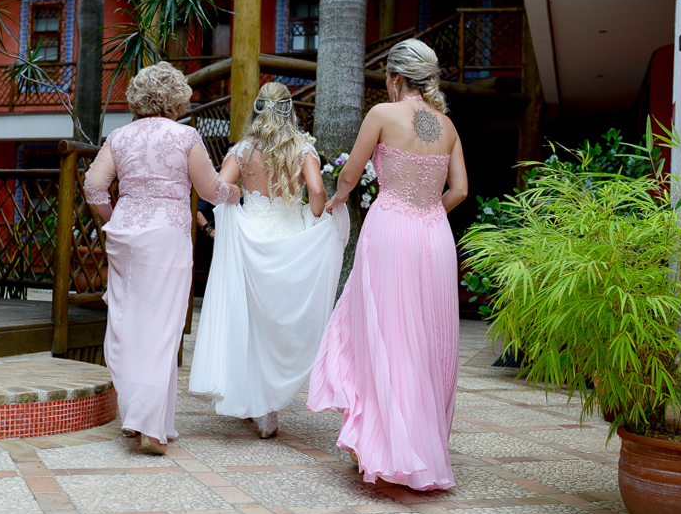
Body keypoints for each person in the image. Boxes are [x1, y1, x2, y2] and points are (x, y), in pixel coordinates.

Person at [307, 39, 468, 490]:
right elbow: (459, 190)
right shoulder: (447, 126)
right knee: (425, 338)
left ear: (395, 79)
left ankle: (383, 443)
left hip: (391, 229)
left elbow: (348, 174)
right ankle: (419, 446)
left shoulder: (381, 115)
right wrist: (428, 211)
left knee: (385, 333)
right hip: (434, 237)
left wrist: (338, 200)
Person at [83, 62, 240, 455]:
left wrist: (113, 215)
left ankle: (146, 416)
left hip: (126, 234)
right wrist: (233, 193)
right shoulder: (185, 136)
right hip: (167, 236)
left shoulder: (119, 136)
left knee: (127, 323)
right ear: (175, 99)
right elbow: (209, 188)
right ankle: (148, 424)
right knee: (163, 327)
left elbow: (93, 187)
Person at [190, 82, 349, 438]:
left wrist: (236, 200)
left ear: (258, 109)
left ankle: (260, 408)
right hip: (291, 243)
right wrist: (317, 215)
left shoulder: (243, 150)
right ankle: (268, 405)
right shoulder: (302, 147)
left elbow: (217, 188)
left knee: (252, 325)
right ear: (290, 110)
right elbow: (318, 192)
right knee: (281, 326)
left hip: (251, 242)